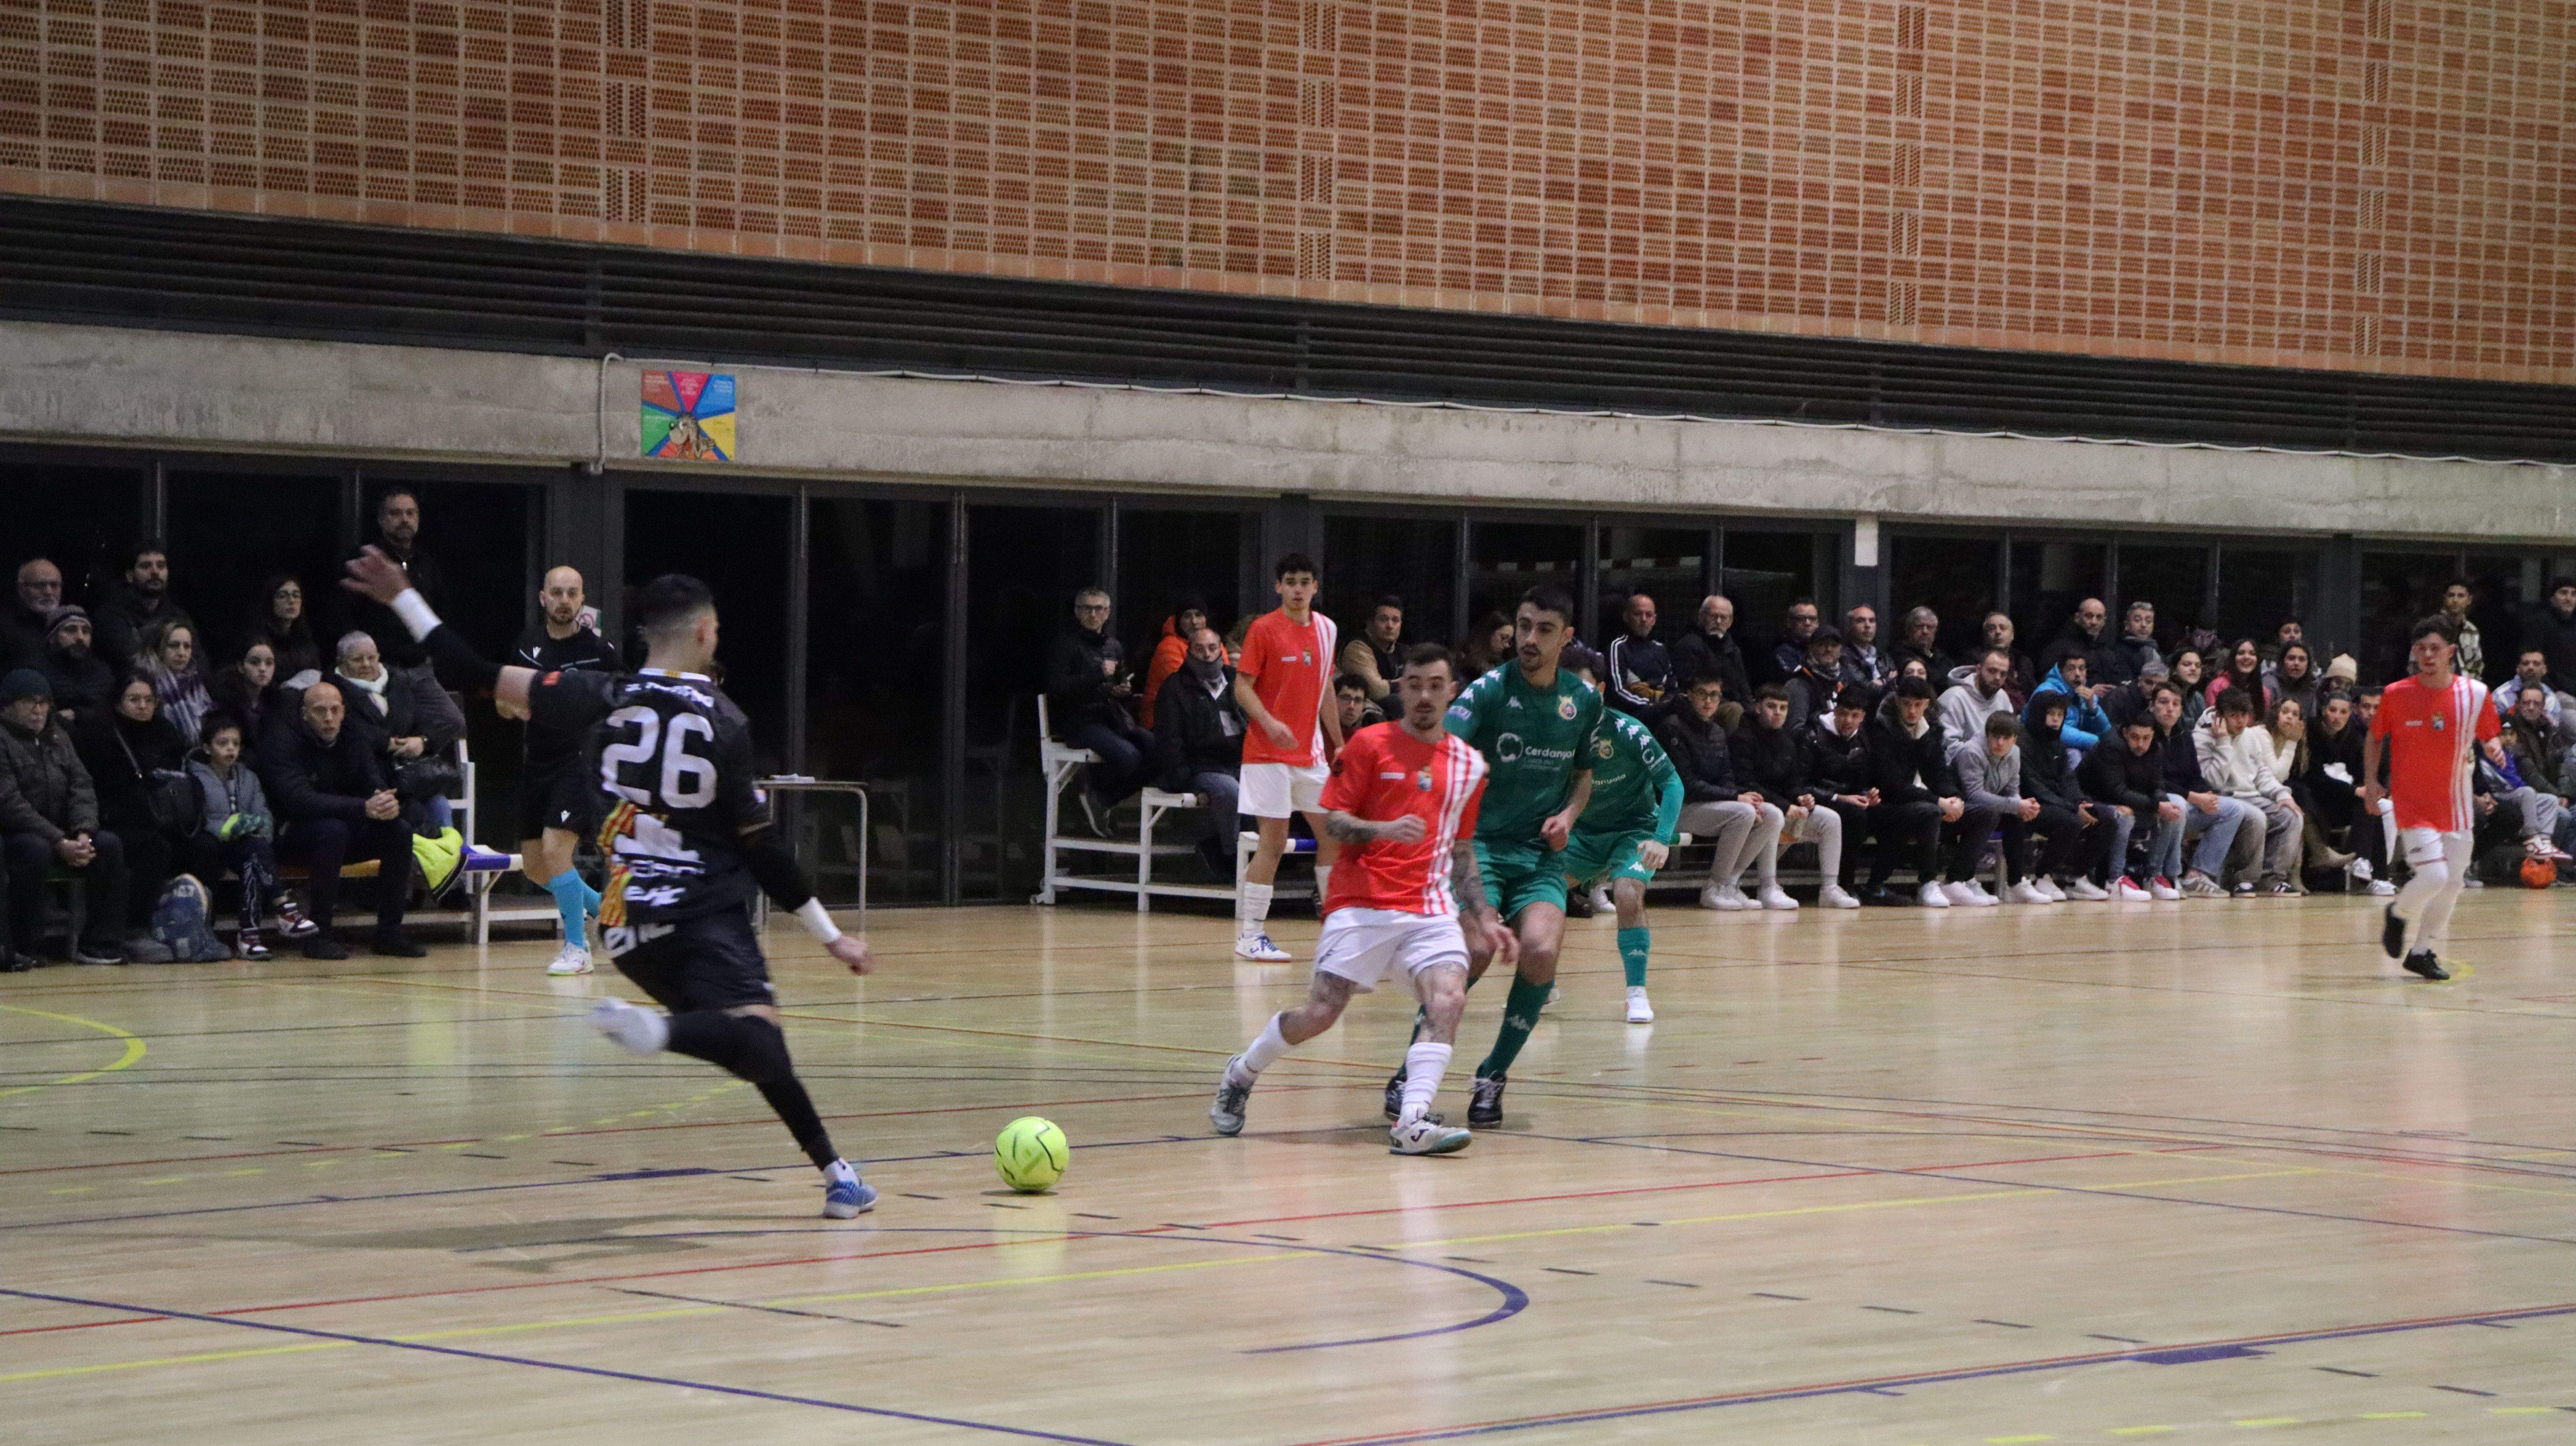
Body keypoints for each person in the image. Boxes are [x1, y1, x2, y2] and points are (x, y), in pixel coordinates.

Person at [345, 550, 885, 1219]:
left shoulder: (595, 694)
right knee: (757, 1041)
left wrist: (402, 596)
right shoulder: (724, 720)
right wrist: (830, 936)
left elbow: (469, 671)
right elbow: (763, 848)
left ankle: (837, 1173)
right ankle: (660, 1036)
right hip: (705, 913)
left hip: (627, 928)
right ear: (706, 634)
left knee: (749, 1039)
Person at [1210, 644, 1504, 1156]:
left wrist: (1482, 914)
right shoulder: (1368, 745)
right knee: (1321, 1012)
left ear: (1452, 691)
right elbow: (1336, 823)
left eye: (1436, 685)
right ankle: (1242, 1070)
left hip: (1428, 907)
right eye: (1413, 684)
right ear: (1400, 686)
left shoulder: (1468, 765)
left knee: (1449, 998)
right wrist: (1383, 827)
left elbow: (1461, 849)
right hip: (1361, 900)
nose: (1424, 696)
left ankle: (1412, 1120)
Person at [1406, 584, 1599, 1128]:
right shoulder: (1489, 691)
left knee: (1541, 951)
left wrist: (1570, 815)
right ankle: (1409, 1072)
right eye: (1523, 624)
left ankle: (1493, 1073)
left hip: (1539, 856)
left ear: (1567, 637)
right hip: (1479, 850)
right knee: (1477, 950)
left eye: (1543, 629)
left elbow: (1583, 776)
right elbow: (1440, 752)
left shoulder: (1581, 701)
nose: (1528, 638)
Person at [2365, 615, 2502, 980]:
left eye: (2435, 649)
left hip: (2456, 805)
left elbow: (2490, 734)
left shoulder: (2475, 694)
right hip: (2412, 803)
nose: (2428, 655)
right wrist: (2372, 783)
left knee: (2453, 882)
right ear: (2414, 652)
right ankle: (2397, 913)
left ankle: (2422, 951)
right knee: (2434, 876)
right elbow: (2375, 737)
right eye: (2421, 649)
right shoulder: (2397, 694)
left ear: (2451, 652)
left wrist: (2495, 747)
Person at [504, 566, 624, 975]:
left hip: (581, 762)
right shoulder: (527, 645)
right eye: (557, 593)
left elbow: (619, 708)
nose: (564, 600)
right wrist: (512, 706)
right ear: (543, 598)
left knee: (558, 851)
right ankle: (615, 917)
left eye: (572, 593)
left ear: (582, 598)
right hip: (537, 761)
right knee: (538, 867)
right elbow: (505, 701)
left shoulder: (600, 651)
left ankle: (578, 948)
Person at [1231, 554, 1345, 963]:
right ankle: (1251, 934)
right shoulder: (1263, 629)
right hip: (1266, 754)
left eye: (1305, 582)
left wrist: (1338, 742)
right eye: (1291, 582)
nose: (1298, 589)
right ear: (1279, 587)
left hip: (1311, 754)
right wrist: (1269, 721)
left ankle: (1335, 932)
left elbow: (1326, 689)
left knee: (1333, 833)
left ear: (1315, 587)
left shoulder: (1328, 630)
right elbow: (1242, 688)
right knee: (1274, 841)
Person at [259, 679, 422, 960]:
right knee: (333, 831)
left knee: (399, 831)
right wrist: (363, 807)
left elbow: (371, 779)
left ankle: (389, 933)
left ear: (344, 712)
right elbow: (299, 800)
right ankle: (318, 934)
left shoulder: (353, 737)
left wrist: (385, 802)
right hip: (292, 833)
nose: (329, 718)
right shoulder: (282, 740)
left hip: (346, 826)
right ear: (305, 714)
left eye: (335, 710)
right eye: (320, 711)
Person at [1561, 702, 1683, 1021]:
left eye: (1583, 689)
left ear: (1599, 691)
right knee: (1536, 892)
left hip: (1635, 830)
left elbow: (1672, 783)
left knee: (1628, 892)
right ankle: (1538, 982)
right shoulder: (1554, 730)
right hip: (1582, 834)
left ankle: (1636, 994)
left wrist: (1661, 837)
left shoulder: (1630, 732)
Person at [0, 670, 129, 966]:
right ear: (7, 706)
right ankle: (24, 945)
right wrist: (58, 840)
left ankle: (99, 943)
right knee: (34, 852)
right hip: (17, 832)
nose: (38, 710)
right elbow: (9, 803)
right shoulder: (3, 740)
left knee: (108, 845)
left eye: (44, 702)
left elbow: (81, 785)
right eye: (29, 702)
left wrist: (83, 832)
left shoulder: (59, 737)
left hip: (63, 832)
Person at [71, 671, 194, 960]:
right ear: (118, 702)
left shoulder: (166, 732)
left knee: (199, 844)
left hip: (157, 815)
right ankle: (135, 928)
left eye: (149, 700)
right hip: (112, 816)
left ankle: (189, 928)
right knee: (152, 848)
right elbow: (96, 784)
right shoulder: (100, 733)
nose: (142, 706)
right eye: (134, 699)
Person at [182, 712, 314, 960]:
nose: (231, 749)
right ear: (207, 748)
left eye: (235, 743)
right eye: (223, 744)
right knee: (254, 853)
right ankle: (280, 910)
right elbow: (201, 820)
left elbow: (263, 815)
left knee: (254, 858)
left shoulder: (248, 777)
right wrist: (232, 827)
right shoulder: (195, 777)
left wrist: (253, 827)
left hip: (246, 846)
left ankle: (251, 936)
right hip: (213, 846)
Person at [1733, 683, 1857, 910]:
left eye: (1783, 708)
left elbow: (1793, 782)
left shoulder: (1788, 740)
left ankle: (1830, 888)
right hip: (1755, 808)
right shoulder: (1742, 737)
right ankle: (1767, 886)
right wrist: (1784, 805)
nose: (1778, 713)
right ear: (1757, 708)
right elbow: (1747, 784)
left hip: (1781, 806)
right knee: (1775, 816)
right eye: (1771, 707)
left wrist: (1801, 798)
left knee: (1830, 819)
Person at [1045, 584, 1154, 834]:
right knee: (1129, 756)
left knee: (1159, 750)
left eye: (1099, 609)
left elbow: (1119, 683)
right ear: (1077, 612)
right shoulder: (1065, 645)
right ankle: (1095, 792)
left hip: (1112, 718)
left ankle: (1103, 798)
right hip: (1079, 719)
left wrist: (1123, 690)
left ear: (1108, 613)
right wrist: (1097, 674)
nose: (1093, 615)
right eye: (1087, 609)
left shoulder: (1113, 646)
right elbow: (1058, 688)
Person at [327, 630, 462, 831]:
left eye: (371, 658)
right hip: (364, 783)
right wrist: (390, 743)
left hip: (409, 777)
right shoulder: (332, 690)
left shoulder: (399, 682)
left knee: (439, 805)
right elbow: (352, 732)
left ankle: (448, 857)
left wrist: (422, 741)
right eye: (357, 660)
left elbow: (430, 722)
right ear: (342, 662)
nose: (366, 664)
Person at [1658, 674, 1762, 911]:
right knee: (1743, 813)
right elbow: (1687, 785)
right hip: (1675, 809)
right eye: (1702, 694)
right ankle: (1713, 888)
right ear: (1689, 695)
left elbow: (1726, 777)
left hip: (1706, 806)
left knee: (1770, 814)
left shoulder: (1717, 731)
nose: (1709, 701)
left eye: (1715, 695)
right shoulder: (1672, 728)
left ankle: (1730, 884)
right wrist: (1736, 798)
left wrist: (1742, 797)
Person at [1864, 675, 1970, 907]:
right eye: (1907, 704)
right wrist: (1940, 802)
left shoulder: (1929, 731)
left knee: (1981, 814)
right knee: (1930, 813)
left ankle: (1959, 880)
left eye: (1918, 705)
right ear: (1897, 702)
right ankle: (1928, 883)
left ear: (1927, 705)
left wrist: (1954, 797)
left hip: (1919, 802)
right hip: (1882, 805)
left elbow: (1939, 773)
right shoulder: (1882, 731)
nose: (1912, 711)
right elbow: (1892, 786)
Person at [1154, 626, 1247, 877]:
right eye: (1200, 649)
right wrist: (1185, 783)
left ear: (1221, 650)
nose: (1207, 654)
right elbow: (1169, 741)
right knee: (1231, 792)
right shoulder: (1175, 688)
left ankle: (1265, 859)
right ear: (1188, 652)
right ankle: (1231, 857)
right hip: (1202, 766)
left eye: (1212, 648)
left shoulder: (1238, 681)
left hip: (1240, 763)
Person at [2196, 687, 2303, 895]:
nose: (2240, 722)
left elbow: (2261, 773)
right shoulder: (2202, 738)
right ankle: (2243, 879)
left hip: (2252, 796)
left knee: (2291, 815)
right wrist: (2224, 742)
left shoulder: (2250, 737)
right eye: (2234, 716)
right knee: (2256, 817)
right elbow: (2214, 781)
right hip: (2222, 799)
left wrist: (2282, 795)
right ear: (2220, 716)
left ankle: (2272, 879)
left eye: (2244, 716)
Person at [2148, 682, 2250, 899]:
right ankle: (2166, 874)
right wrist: (2194, 797)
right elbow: (2154, 780)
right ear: (2152, 706)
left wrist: (2206, 795)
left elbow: (2195, 775)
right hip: (2154, 803)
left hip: (2186, 801)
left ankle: (2198, 875)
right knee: (2178, 803)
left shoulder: (2183, 734)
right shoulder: (2145, 733)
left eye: (2176, 704)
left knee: (2234, 810)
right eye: (2164, 703)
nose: (2170, 708)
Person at [2021, 691, 2123, 899]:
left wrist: (2080, 802)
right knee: (2071, 821)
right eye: (2051, 714)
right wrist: (2072, 808)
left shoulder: (2057, 741)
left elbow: (2067, 778)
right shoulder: (2023, 742)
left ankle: (2075, 877)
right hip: (2029, 805)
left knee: (2107, 817)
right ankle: (2042, 877)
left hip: (2057, 803)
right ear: (2038, 714)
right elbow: (2033, 787)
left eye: (2061, 714)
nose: (2056, 719)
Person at [2080, 713, 2177, 900]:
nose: (2141, 744)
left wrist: (2163, 802)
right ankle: (2114, 880)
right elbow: (2116, 791)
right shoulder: (2110, 746)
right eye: (2135, 737)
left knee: (2169, 814)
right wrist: (2156, 805)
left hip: (2126, 799)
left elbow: (2157, 785)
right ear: (2125, 733)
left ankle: (2153, 876)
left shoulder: (2154, 748)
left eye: (2146, 738)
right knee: (2124, 815)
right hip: (2092, 800)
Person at [2300, 690, 2386, 891]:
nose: (2337, 716)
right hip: (2315, 798)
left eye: (2343, 712)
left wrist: (2365, 790)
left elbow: (2360, 775)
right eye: (2333, 710)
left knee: (2371, 804)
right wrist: (2353, 791)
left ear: (2350, 714)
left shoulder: (2353, 738)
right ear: (2324, 710)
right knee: (2363, 799)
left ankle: (2372, 869)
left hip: (2340, 800)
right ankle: (2365, 864)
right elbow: (2312, 777)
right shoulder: (2310, 731)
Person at [1949, 712, 2036, 904]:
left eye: (2006, 738)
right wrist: (2016, 805)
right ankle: (1958, 879)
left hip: (1988, 809)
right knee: (1989, 814)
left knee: (2017, 816)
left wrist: (2023, 807)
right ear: (1987, 734)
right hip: (1957, 809)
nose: (1999, 743)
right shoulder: (1971, 752)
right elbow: (1974, 795)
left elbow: (2012, 790)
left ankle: (2015, 883)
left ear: (2015, 739)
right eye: (1995, 737)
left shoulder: (2015, 753)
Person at [94, 541, 194, 674]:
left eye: (161, 566)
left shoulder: (179, 616)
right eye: (146, 566)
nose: (155, 572)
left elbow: (199, 662)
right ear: (130, 576)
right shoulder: (111, 616)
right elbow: (132, 662)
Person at [1668, 595, 1753, 714]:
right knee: (1735, 710)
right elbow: (1692, 685)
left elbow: (1744, 688)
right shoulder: (1690, 644)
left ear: (1730, 622)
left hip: (1730, 704)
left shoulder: (1733, 650)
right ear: (1702, 616)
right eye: (1713, 616)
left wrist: (1752, 714)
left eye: (1723, 617)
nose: (1718, 622)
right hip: (1703, 706)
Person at [1603, 589, 1677, 725]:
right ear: (1626, 617)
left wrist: (1668, 702)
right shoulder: (1618, 647)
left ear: (1654, 620)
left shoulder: (1661, 649)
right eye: (1638, 614)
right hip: (1631, 716)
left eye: (1649, 615)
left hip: (1663, 710)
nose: (1644, 619)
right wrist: (1652, 705)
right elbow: (1617, 692)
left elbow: (1672, 686)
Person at [1139, 595, 1208, 729]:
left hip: (1197, 718)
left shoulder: (1214, 644)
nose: (1194, 622)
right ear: (1179, 621)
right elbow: (1185, 687)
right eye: (1188, 616)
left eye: (1199, 615)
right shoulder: (1169, 646)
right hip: (1163, 721)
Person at [141, 619, 214, 745]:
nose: (182, 653)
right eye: (174, 646)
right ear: (160, 647)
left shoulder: (196, 683)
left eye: (187, 647)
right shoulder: (147, 684)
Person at [39, 606, 115, 724]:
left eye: (85, 631)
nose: (80, 637)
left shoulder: (102, 673)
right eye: (71, 630)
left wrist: (78, 714)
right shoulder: (40, 672)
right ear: (52, 638)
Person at [2029, 653, 2114, 753]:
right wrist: (2094, 741)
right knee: (2074, 754)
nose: (2078, 674)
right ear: (2061, 672)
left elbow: (2106, 733)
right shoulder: (2047, 692)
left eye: (2082, 669)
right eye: (2071, 669)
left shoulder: (2085, 694)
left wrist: (2093, 709)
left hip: (2076, 747)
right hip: (2043, 747)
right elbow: (2053, 729)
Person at [1938, 647, 2017, 750]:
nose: (1998, 678)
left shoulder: (2002, 697)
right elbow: (1948, 747)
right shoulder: (1954, 698)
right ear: (1979, 669)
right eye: (1993, 671)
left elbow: (2011, 736)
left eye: (2003, 674)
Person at [246, 574, 322, 680]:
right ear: (270, 602)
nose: (291, 601)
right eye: (282, 596)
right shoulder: (258, 641)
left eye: (296, 596)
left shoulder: (306, 642)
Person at [210, 641, 282, 744]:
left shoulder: (277, 698)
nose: (263, 669)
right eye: (254, 663)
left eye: (269, 663)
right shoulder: (226, 700)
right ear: (241, 667)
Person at [1339, 595, 1406, 705]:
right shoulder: (1357, 648)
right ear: (1370, 623)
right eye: (1383, 619)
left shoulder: (1404, 651)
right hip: (1362, 715)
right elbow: (1375, 690)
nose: (1390, 626)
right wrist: (1408, 683)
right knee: (1395, 703)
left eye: (1396, 620)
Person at [0, 557, 64, 671]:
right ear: (21, 588)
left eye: (54, 585)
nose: (49, 592)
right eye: (40, 585)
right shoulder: (5, 627)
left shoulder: (69, 625)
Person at [1781, 626, 1846, 726]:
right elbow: (1795, 729)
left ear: (1840, 649)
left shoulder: (1846, 679)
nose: (1829, 649)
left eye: (1834, 645)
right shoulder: (1799, 683)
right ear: (1811, 648)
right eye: (1822, 645)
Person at [1972, 612, 2037, 704]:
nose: (1998, 632)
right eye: (1992, 629)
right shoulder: (1974, 659)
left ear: (2012, 635)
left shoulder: (2023, 662)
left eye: (2003, 628)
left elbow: (2032, 694)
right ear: (1985, 635)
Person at [2530, 579, 2576, 701]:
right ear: (2552, 599)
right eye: (2564, 593)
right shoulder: (2540, 623)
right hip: (2554, 692)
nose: (2569, 598)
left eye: (2574, 594)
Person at [2105, 601, 2163, 684]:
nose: (2144, 625)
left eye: (2148, 621)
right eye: (2137, 620)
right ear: (2127, 626)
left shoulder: (2156, 650)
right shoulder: (2119, 652)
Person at [2441, 580, 2485, 681]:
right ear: (2445, 598)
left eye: (2461, 596)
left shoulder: (2472, 631)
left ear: (2469, 600)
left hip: (2465, 690)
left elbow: (2477, 666)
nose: (2455, 600)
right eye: (2451, 595)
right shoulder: (2431, 628)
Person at [1841, 604, 1892, 690]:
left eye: (1872, 621)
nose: (1868, 626)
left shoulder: (1883, 656)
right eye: (1861, 621)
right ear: (1850, 626)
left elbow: (1898, 683)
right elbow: (1865, 688)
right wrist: (1887, 681)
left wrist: (1882, 682)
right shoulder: (1844, 656)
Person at [1770, 598, 1821, 682]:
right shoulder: (1784, 652)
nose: (1807, 623)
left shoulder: (1826, 649)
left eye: (1812, 619)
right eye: (1801, 619)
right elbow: (1798, 680)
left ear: (1818, 623)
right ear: (1790, 623)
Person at [1893, 605, 1950, 680]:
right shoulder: (1899, 654)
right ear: (1909, 630)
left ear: (1935, 632)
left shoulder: (1940, 657)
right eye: (1919, 627)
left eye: (1930, 627)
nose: (1925, 632)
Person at [2272, 642, 2322, 725]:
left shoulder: (2312, 687)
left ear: (2308, 665)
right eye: (2291, 658)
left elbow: (2309, 723)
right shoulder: (2270, 684)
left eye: (2302, 660)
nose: (2296, 663)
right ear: (2282, 661)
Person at [1458, 610, 1515, 679]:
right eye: (1503, 638)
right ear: (1490, 634)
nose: (1507, 645)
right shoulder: (1467, 661)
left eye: (1510, 641)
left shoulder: (1501, 663)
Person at [1333, 672, 1385, 736]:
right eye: (1346, 699)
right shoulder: (1320, 730)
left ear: (1364, 705)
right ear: (1334, 700)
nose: (1351, 706)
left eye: (1358, 701)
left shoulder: (1372, 729)